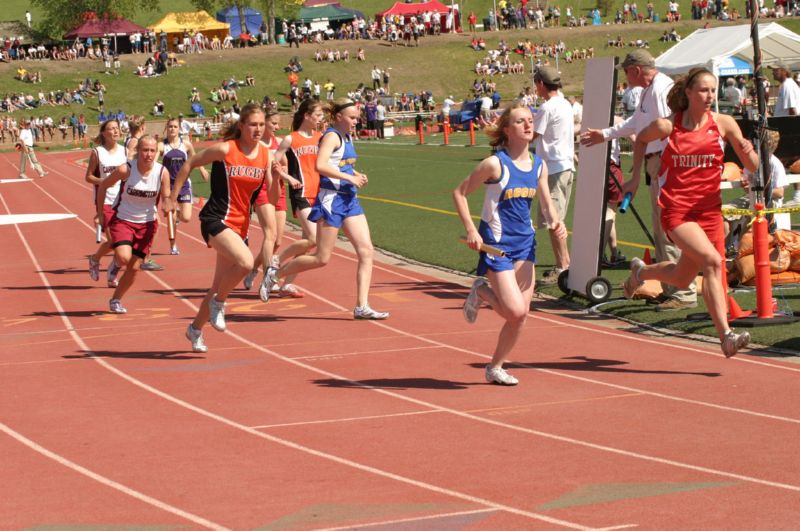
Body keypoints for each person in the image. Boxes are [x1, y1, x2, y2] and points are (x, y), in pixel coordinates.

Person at [621, 67, 758, 358]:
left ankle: (640, 272)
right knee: (711, 262)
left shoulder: (724, 123)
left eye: (713, 90)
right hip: (677, 210)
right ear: (689, 93)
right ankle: (726, 336)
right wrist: (635, 177)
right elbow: (640, 139)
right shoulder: (668, 126)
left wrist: (747, 151)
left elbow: (754, 165)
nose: (710, 96)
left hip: (709, 211)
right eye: (704, 90)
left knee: (682, 278)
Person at [453, 102, 567, 385]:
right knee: (515, 310)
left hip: (525, 245)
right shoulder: (495, 164)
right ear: (507, 129)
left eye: (530, 120)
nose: (528, 125)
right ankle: (481, 291)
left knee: (520, 316)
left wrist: (556, 221)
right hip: (497, 245)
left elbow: (545, 201)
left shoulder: (539, 164)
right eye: (520, 121)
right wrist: (471, 229)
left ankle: (495, 367)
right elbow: (460, 193)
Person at [582, 50, 697, 312]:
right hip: (658, 163)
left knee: (670, 229)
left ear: (635, 70)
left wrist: (668, 165)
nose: (625, 75)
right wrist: (606, 134)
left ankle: (683, 292)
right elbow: (637, 123)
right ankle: (673, 289)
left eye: (626, 70)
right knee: (662, 229)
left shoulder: (660, 90)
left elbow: (672, 129)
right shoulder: (650, 90)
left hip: (666, 163)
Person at [262, 98, 389, 320]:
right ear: (339, 117)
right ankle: (276, 273)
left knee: (367, 251)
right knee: (321, 257)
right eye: (352, 118)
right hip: (331, 200)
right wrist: (348, 177)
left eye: (357, 118)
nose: (355, 122)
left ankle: (362, 306)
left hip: (349, 199)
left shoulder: (347, 136)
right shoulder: (331, 136)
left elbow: (343, 164)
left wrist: (357, 175)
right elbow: (320, 165)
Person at [165, 103, 272, 353]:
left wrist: (278, 177)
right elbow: (190, 162)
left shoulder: (266, 155)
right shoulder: (226, 149)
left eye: (262, 125)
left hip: (240, 224)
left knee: (216, 286)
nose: (258, 129)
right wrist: (172, 196)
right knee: (245, 263)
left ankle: (195, 329)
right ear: (242, 126)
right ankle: (220, 303)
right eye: (253, 124)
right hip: (216, 218)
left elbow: (267, 194)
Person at [97, 136, 171, 314]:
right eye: (145, 150)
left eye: (152, 151)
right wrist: (100, 213)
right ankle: (115, 263)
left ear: (157, 153)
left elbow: (167, 196)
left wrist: (168, 204)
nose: (149, 154)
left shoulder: (162, 172)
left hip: (147, 225)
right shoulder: (126, 169)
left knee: (135, 268)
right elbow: (103, 186)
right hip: (123, 219)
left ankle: (115, 300)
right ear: (138, 151)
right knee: (123, 257)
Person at [268, 99, 325, 295]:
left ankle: (287, 284)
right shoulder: (290, 139)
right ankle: (276, 260)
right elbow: (273, 163)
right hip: (300, 192)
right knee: (314, 238)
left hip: (319, 193)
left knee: (306, 245)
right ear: (307, 116)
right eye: (318, 115)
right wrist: (287, 177)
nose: (321, 119)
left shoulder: (321, 137)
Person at [242, 109, 298, 300]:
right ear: (263, 123)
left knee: (278, 241)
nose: (276, 127)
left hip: (279, 189)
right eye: (273, 123)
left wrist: (285, 176)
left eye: (277, 124)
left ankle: (253, 270)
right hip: (263, 189)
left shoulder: (278, 143)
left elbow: (284, 165)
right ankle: (269, 278)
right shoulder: (255, 145)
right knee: (270, 234)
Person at [531, 66, 574, 285]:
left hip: (554, 168)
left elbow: (532, 135)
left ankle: (564, 267)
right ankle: (565, 263)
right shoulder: (565, 104)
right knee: (555, 219)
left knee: (553, 220)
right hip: (563, 166)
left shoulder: (547, 107)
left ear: (540, 84)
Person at [158, 117, 209, 255]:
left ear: (179, 129)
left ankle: (178, 215)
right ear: (166, 129)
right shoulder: (162, 146)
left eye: (175, 126)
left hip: (184, 185)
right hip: (169, 186)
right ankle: (173, 245)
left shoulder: (186, 145)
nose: (172, 129)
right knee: (171, 218)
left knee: (186, 218)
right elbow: (154, 161)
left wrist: (203, 169)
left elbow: (195, 158)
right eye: (170, 127)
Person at [86, 119, 127, 288]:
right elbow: (88, 176)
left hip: (124, 201)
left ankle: (111, 271)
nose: (115, 131)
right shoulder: (97, 152)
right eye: (111, 129)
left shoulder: (125, 151)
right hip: (106, 201)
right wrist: (105, 180)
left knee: (123, 243)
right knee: (114, 242)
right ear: (104, 133)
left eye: (117, 128)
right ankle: (96, 260)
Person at [768, 63, 800, 207]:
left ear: (783, 71)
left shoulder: (787, 85)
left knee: (790, 162)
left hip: (788, 130)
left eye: (775, 70)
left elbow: (792, 110)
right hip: (787, 129)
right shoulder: (788, 84)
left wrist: (790, 134)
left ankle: (796, 195)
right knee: (792, 163)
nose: (773, 73)